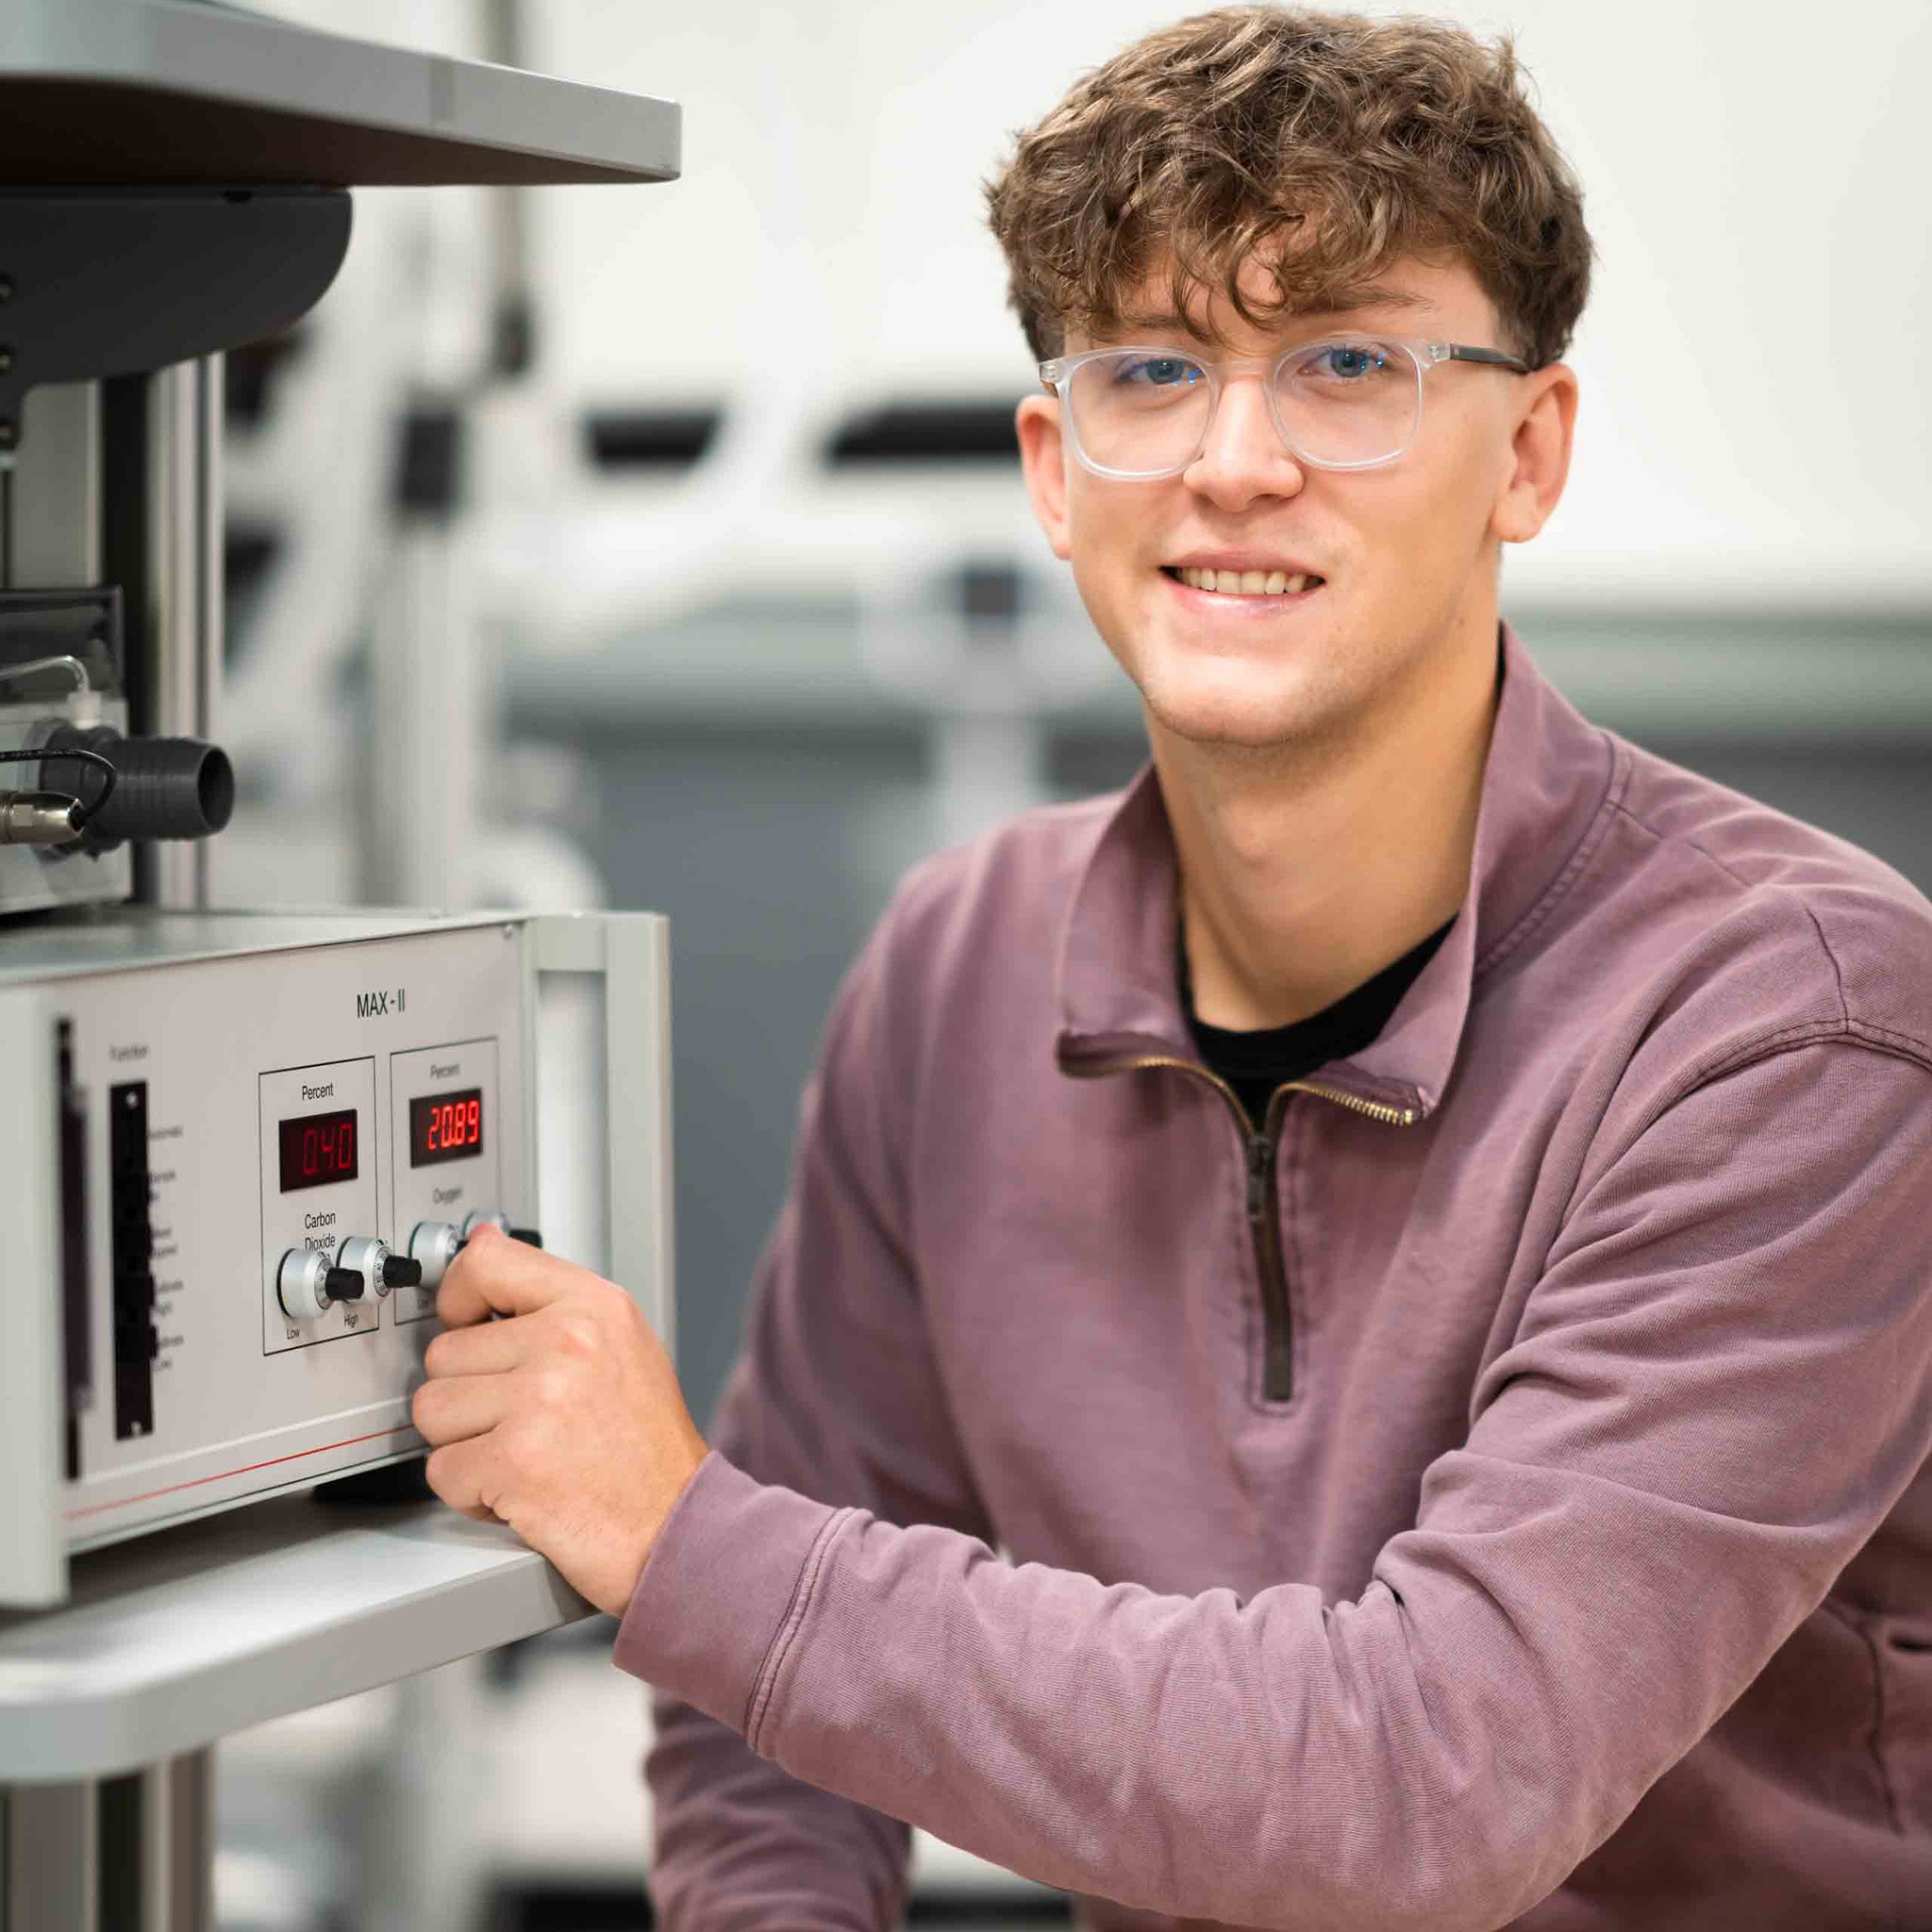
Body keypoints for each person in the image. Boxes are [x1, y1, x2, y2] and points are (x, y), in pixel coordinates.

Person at [412, 8, 1932, 1925]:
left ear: (1525, 452)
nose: (1233, 460)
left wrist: (686, 1535)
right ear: (1058, 471)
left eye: (1347, 364)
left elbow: (1434, 1783)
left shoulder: (1792, 1023)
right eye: (1152, 367)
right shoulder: (959, 967)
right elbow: (756, 1729)